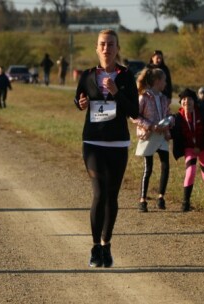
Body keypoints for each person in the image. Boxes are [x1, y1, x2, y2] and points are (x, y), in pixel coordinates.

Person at [74, 29, 139, 268]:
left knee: (112, 196)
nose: (106, 49)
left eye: (111, 45)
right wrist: (80, 103)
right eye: (102, 44)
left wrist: (116, 93)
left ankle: (106, 244)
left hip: (117, 142)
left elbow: (134, 111)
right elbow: (78, 99)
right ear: (96, 47)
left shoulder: (126, 76)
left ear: (117, 48)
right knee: (99, 193)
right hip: (93, 142)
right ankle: (94, 248)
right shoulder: (88, 75)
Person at [170, 88, 204, 212]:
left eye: (189, 100)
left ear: (194, 102)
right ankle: (186, 202)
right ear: (180, 102)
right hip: (189, 148)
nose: (186, 102)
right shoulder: (178, 117)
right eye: (183, 100)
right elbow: (174, 132)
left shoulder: (203, 113)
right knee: (191, 171)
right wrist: (168, 134)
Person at [131, 68, 171, 212]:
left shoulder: (164, 98)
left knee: (165, 165)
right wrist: (151, 126)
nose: (166, 83)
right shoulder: (144, 97)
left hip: (161, 136)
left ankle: (161, 197)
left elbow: (167, 114)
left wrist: (168, 125)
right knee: (148, 167)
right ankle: (142, 200)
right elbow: (135, 116)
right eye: (164, 80)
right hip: (148, 136)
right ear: (157, 81)